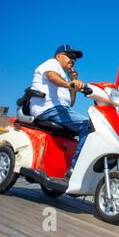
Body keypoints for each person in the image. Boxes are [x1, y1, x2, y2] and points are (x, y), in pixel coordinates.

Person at [29, 44, 88, 180]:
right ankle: (74, 170)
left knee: (90, 125)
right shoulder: (52, 64)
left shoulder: (65, 78)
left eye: (75, 59)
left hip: (60, 110)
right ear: (58, 56)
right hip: (47, 108)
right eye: (70, 56)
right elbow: (51, 76)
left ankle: (66, 168)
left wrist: (73, 81)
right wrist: (69, 84)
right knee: (88, 126)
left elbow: (71, 102)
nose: (73, 60)